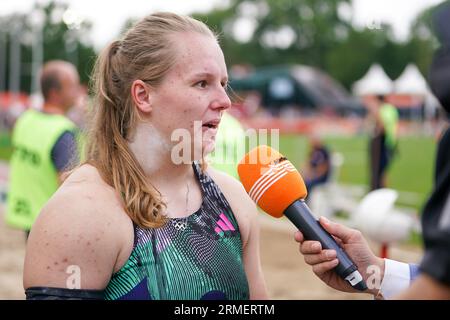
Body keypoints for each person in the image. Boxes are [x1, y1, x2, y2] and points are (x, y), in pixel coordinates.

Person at [23, 12, 268, 300]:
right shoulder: (81, 213)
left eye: (223, 84)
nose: (225, 101)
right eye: (202, 83)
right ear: (143, 96)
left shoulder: (233, 199)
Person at [294, 41, 450, 300]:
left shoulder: (385, 110)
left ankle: (380, 194)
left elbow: (441, 284)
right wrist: (376, 274)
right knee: (377, 176)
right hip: (382, 147)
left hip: (382, 146)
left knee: (379, 176)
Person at [5, 60, 82, 239]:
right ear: (55, 93)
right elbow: (68, 185)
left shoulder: (25, 119)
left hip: (27, 214)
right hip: (52, 222)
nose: (78, 91)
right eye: (72, 86)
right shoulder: (63, 132)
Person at [367, 94, 399, 190]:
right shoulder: (392, 109)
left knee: (379, 170)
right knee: (385, 170)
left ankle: (381, 190)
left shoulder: (381, 110)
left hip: (383, 141)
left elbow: (381, 126)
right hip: (392, 140)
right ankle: (384, 189)